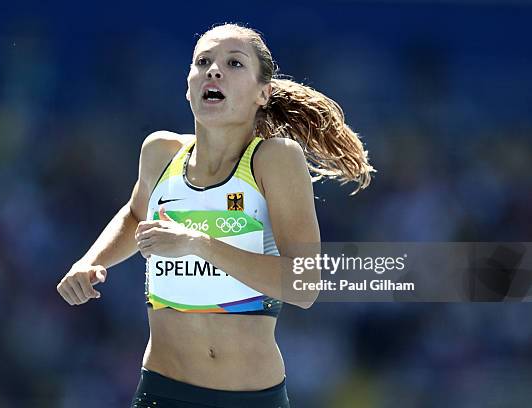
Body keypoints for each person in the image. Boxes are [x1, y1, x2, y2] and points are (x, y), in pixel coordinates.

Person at [57, 23, 374, 408]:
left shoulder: (274, 160)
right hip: (162, 391)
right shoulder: (159, 153)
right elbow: (134, 214)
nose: (214, 70)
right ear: (188, 86)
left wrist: (199, 244)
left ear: (263, 93)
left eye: (234, 63)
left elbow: (304, 286)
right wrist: (90, 262)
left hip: (251, 398)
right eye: (203, 61)